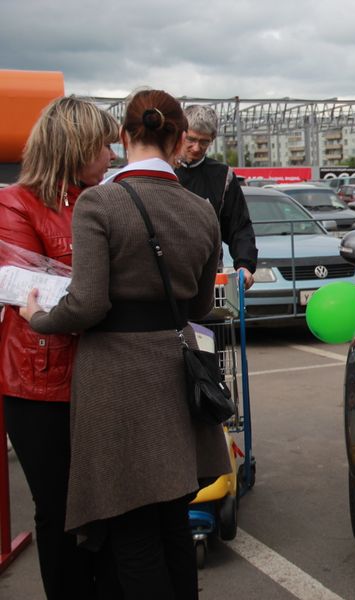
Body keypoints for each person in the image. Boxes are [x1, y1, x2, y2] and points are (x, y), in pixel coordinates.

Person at [21, 89, 232, 599]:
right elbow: (201, 305)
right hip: (177, 372)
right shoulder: (202, 209)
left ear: (122, 136)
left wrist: (39, 317)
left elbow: (87, 304)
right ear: (181, 139)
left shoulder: (100, 202)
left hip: (116, 382)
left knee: (132, 530)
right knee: (173, 524)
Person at [0, 96, 118, 599]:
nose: (112, 157)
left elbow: (82, 292)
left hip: (101, 374)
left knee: (108, 506)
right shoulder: (14, 204)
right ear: (74, 148)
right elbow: (23, 287)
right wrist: (100, 290)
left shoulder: (103, 200)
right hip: (39, 384)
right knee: (60, 511)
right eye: (103, 146)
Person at [174, 105, 257, 289]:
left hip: (208, 281)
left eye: (204, 142)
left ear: (212, 139)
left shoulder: (223, 176)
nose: (196, 148)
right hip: (167, 280)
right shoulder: (162, 169)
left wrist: (244, 264)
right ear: (180, 134)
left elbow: (239, 226)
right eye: (191, 139)